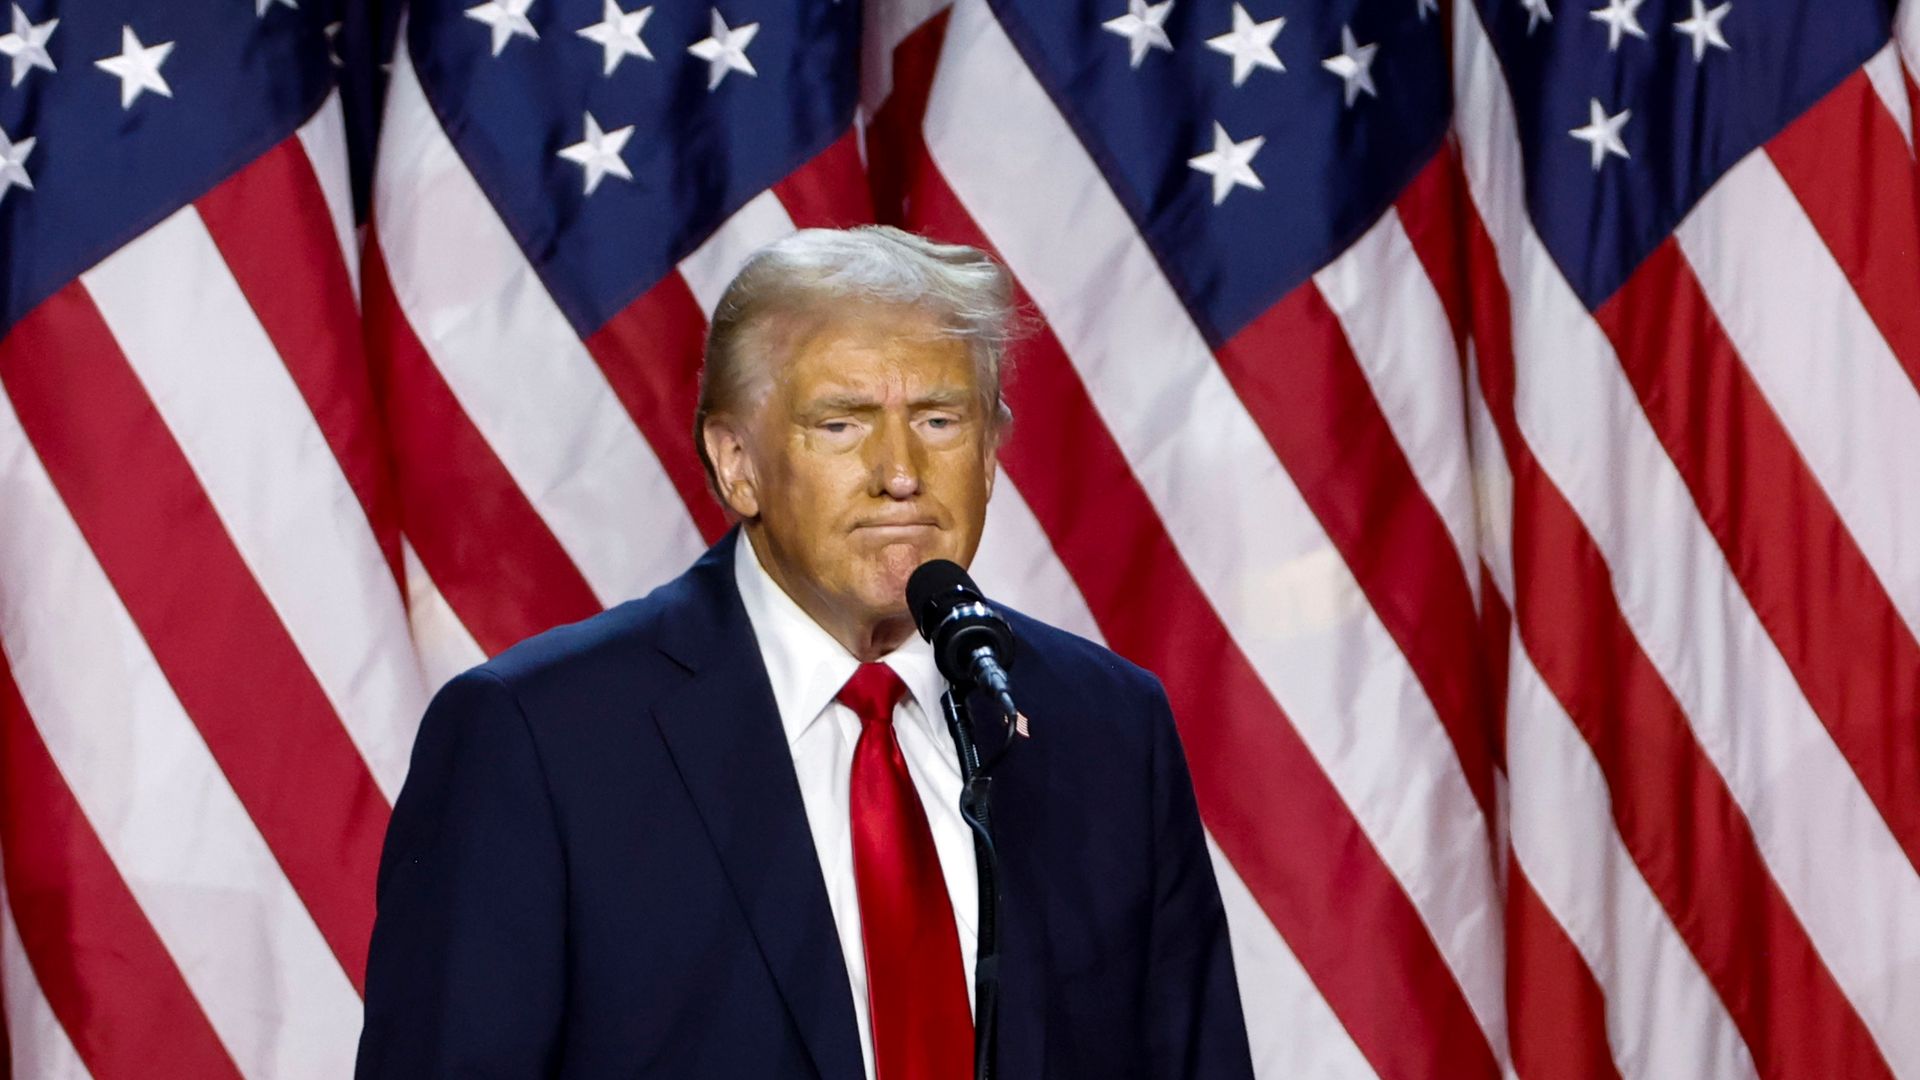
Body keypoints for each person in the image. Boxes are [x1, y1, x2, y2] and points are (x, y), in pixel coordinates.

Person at [355, 226, 1255, 1079]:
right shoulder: (539, 740)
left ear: (989, 455)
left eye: (941, 419)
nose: (900, 470)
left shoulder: (1103, 726)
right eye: (842, 423)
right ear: (735, 462)